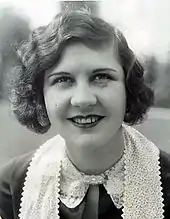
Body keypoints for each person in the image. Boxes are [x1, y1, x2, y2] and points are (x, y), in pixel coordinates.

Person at [0, 9, 170, 219]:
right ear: (39, 95)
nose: (83, 99)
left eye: (101, 77)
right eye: (63, 80)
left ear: (128, 88)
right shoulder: (11, 186)